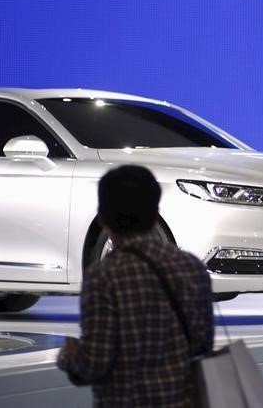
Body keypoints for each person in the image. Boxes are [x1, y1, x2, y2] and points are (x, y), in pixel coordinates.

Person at [57, 165, 214, 407]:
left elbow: (93, 363)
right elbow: (203, 343)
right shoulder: (191, 267)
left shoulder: (103, 276)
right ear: (154, 213)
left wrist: (68, 354)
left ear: (103, 217)